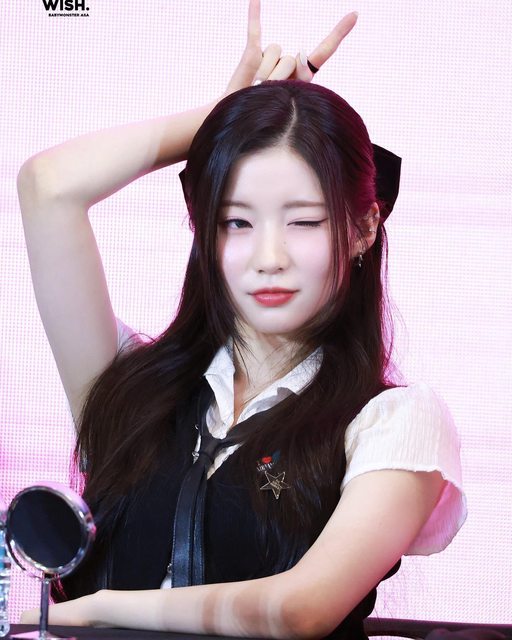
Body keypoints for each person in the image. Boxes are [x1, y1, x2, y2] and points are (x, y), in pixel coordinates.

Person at [17, 1, 466, 638]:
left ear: (364, 227)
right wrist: (222, 121)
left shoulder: (396, 421)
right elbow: (48, 185)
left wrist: (92, 611)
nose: (268, 257)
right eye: (236, 221)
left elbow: (299, 609)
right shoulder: (130, 387)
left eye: (304, 221)